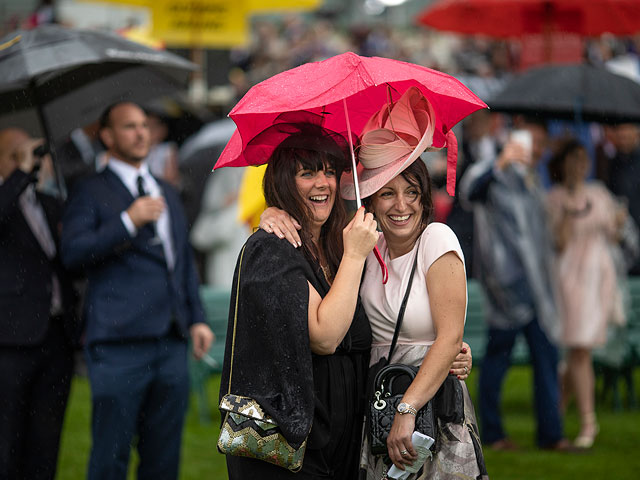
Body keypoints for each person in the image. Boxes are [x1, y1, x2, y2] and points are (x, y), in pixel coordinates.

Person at [260, 88, 482, 479]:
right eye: (387, 194)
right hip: (373, 402)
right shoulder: (361, 244)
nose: (402, 206)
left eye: (412, 192)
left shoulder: (437, 240)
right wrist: (273, 211)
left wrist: (408, 409)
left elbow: (449, 338)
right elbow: (314, 238)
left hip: (426, 405)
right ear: (370, 200)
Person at [60, 102, 214, 480]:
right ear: (107, 136)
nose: (141, 133)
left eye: (145, 125)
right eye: (129, 127)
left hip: (171, 343)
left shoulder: (165, 190)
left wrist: (196, 319)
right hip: (118, 344)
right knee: (110, 458)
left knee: (164, 461)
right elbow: (73, 253)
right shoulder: (89, 189)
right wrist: (128, 220)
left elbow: (182, 263)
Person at [220, 119, 380, 479]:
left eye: (329, 171)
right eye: (307, 173)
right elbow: (325, 336)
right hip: (290, 443)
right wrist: (355, 257)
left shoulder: (336, 244)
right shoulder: (271, 249)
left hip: (341, 440)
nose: (323, 183)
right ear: (282, 182)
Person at [459, 118, 572, 451]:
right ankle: (492, 434)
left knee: (546, 358)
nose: (533, 149)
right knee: (498, 361)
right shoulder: (491, 170)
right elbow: (469, 192)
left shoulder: (533, 180)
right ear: (511, 139)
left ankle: (551, 435)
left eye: (539, 143)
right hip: (505, 290)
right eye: (528, 141)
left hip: (536, 290)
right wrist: (501, 161)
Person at [0, 128, 78, 480]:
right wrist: (18, 173)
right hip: (10, 343)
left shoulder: (45, 202)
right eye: (16, 153)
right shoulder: (7, 198)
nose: (28, 160)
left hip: (55, 337)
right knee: (7, 441)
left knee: (46, 441)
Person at [546, 138, 627, 449]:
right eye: (573, 159)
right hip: (570, 278)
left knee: (580, 349)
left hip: (598, 278)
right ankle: (584, 417)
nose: (579, 165)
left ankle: (568, 410)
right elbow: (560, 243)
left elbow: (614, 235)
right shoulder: (554, 198)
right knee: (578, 348)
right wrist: (567, 211)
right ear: (564, 163)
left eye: (583, 159)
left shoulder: (598, 193)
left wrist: (618, 223)